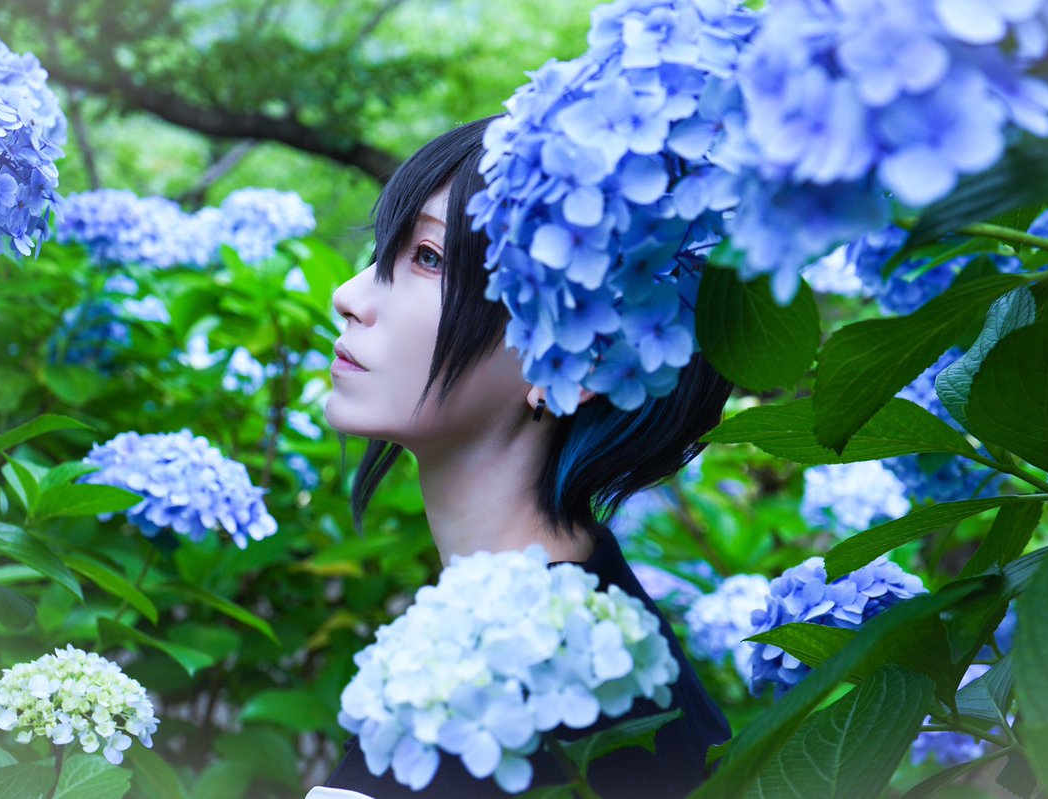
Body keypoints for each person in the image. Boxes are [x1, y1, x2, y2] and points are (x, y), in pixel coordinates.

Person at [307, 116, 735, 798]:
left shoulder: (527, 699)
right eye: (388, 250)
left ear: (579, 359)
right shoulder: (594, 640)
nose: (349, 297)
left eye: (429, 257)